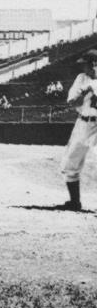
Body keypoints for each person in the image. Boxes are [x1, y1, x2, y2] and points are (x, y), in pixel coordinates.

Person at [57, 49, 97, 211]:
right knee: (69, 163)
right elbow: (72, 102)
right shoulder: (81, 79)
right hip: (83, 124)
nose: (84, 68)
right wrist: (87, 90)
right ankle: (75, 202)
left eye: (86, 64)